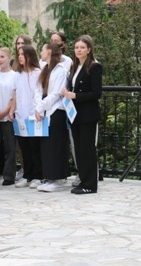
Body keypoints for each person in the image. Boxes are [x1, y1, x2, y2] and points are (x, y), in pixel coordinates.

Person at [62, 35, 102, 194]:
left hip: (88, 114)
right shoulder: (73, 66)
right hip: (75, 114)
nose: (78, 50)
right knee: (78, 149)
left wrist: (75, 96)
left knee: (87, 149)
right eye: (77, 47)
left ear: (89, 49)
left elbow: (96, 93)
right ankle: (83, 181)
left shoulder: (94, 66)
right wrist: (67, 93)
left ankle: (90, 185)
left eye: (82, 47)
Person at [34, 43, 69, 192]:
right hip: (45, 112)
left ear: (49, 51)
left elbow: (57, 93)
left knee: (56, 145)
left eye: (42, 49)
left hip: (56, 111)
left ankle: (58, 178)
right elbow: (38, 89)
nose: (40, 52)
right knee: (47, 146)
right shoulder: (45, 69)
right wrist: (39, 108)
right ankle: (49, 176)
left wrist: (41, 107)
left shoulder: (60, 70)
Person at [13, 44, 43, 188]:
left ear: (29, 56)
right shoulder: (18, 75)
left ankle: (38, 175)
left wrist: (38, 110)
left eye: (22, 54)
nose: (19, 57)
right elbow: (15, 94)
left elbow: (39, 92)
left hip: (34, 115)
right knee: (24, 147)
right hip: (20, 115)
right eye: (18, 54)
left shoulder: (38, 73)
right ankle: (28, 174)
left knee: (35, 146)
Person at [0, 47, 17, 186]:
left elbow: (14, 96)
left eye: (2, 57)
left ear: (9, 58)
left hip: (8, 115)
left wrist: (6, 111)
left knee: (9, 147)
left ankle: (9, 176)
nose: (0, 60)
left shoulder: (14, 75)